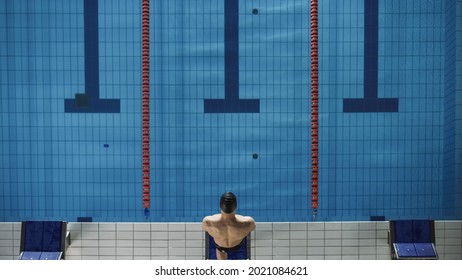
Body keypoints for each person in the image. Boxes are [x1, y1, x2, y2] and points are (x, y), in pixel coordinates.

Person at [202, 192, 256, 260]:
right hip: (237, 245)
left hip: (220, 246)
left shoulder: (208, 221)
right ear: (235, 207)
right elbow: (253, 228)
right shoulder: (248, 222)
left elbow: (204, 229)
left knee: (220, 250)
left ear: (220, 206)